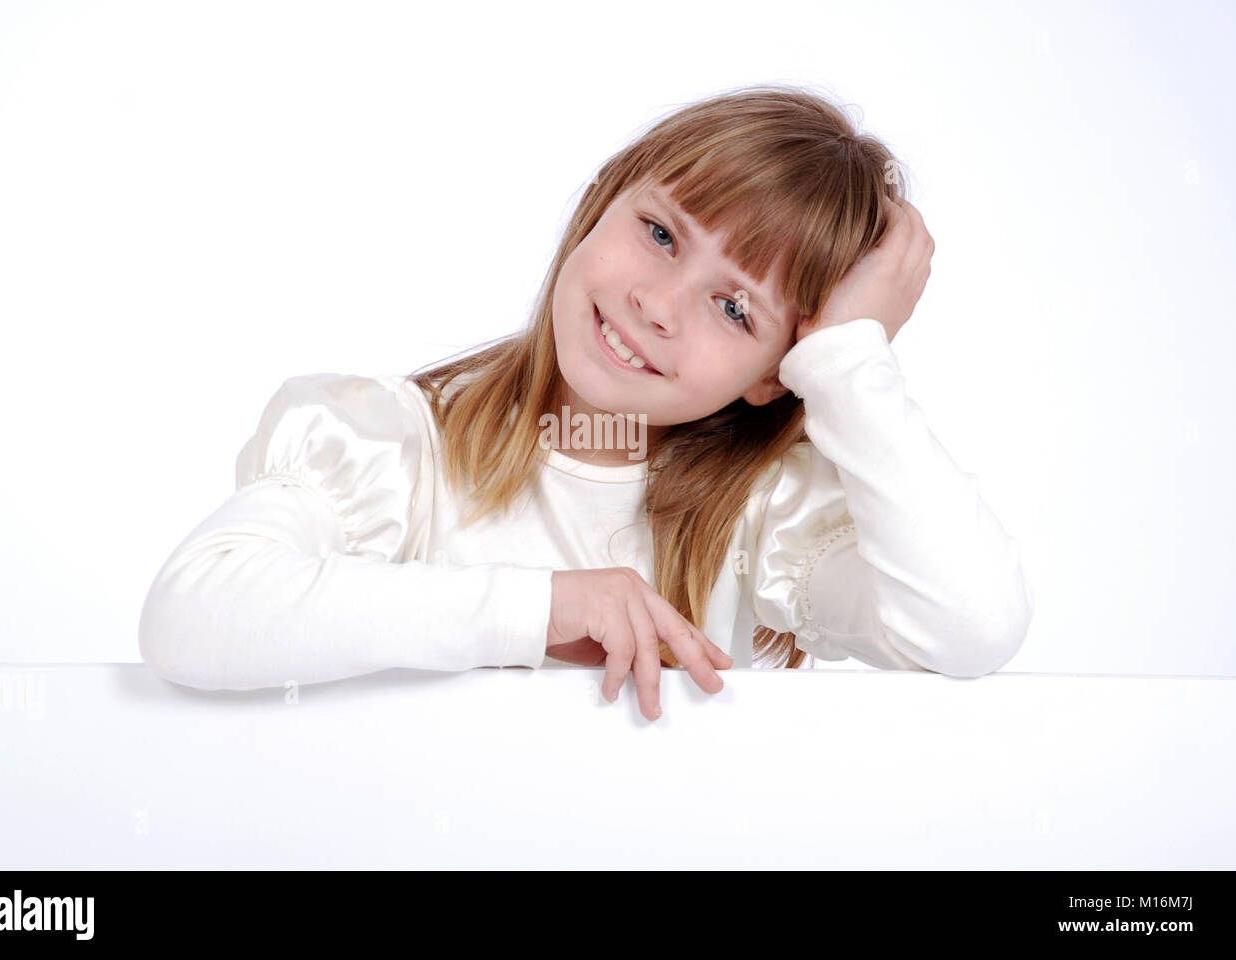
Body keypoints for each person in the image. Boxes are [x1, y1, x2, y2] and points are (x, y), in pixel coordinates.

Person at [139, 83, 1034, 721]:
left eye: (734, 308)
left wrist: (850, 359)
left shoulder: (768, 519)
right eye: (659, 233)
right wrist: (542, 608)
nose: (656, 303)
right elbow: (192, 615)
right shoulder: (393, 449)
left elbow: (974, 626)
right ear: (602, 202)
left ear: (777, 371)